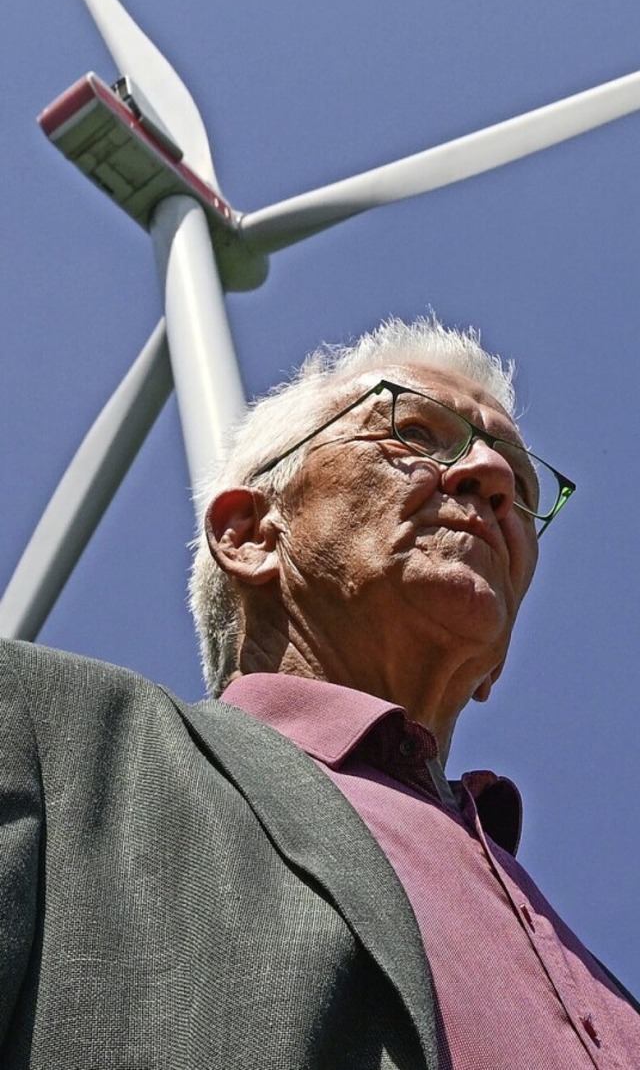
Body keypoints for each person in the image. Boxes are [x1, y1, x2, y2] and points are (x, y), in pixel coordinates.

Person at [0, 315, 638, 1069]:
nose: (494, 481)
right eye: (417, 431)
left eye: (523, 486)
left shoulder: (596, 974)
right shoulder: (52, 741)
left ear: (494, 663)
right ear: (250, 533)